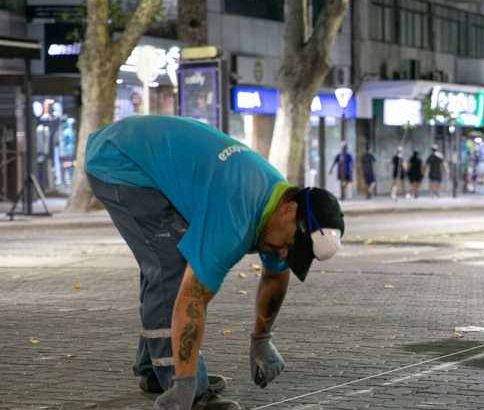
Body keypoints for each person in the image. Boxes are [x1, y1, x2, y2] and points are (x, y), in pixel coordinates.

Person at [84, 115, 345, 410]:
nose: (284, 254)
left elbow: (275, 276)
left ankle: (154, 369)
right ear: (289, 210)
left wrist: (261, 339)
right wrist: (187, 383)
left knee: (167, 255)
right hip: (120, 161)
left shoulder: (279, 209)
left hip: (150, 156)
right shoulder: (235, 216)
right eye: (289, 247)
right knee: (173, 267)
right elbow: (191, 297)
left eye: (293, 255)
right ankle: (183, 389)